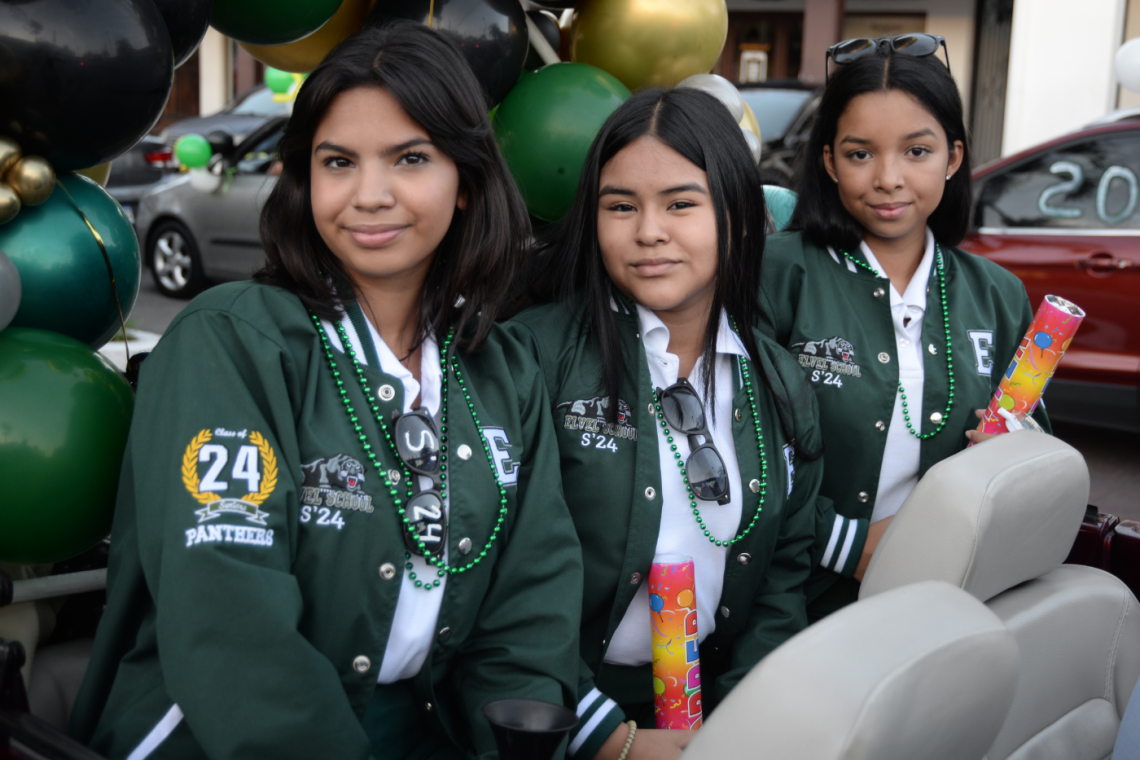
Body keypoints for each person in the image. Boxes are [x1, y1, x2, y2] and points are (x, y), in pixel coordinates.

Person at [70, 21, 582, 760]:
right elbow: (228, 617)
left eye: (410, 158)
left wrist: (516, 738)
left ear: (466, 183)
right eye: (338, 161)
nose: (369, 195)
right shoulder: (233, 340)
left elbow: (530, 605)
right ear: (306, 179)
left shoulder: (502, 368)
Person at [506, 88, 825, 760]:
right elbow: (499, 583)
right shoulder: (530, 358)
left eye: (681, 203)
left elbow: (782, 579)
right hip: (555, 717)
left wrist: (738, 722)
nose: (648, 231)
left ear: (738, 214)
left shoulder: (776, 378)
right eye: (620, 206)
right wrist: (611, 740)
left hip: (708, 723)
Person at [760, 35, 1050, 620]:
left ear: (954, 156)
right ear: (828, 161)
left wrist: (1017, 451)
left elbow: (1038, 450)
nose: (888, 178)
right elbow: (738, 453)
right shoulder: (777, 272)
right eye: (860, 153)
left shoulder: (998, 293)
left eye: (917, 152)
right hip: (796, 604)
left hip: (951, 599)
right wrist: (849, 544)